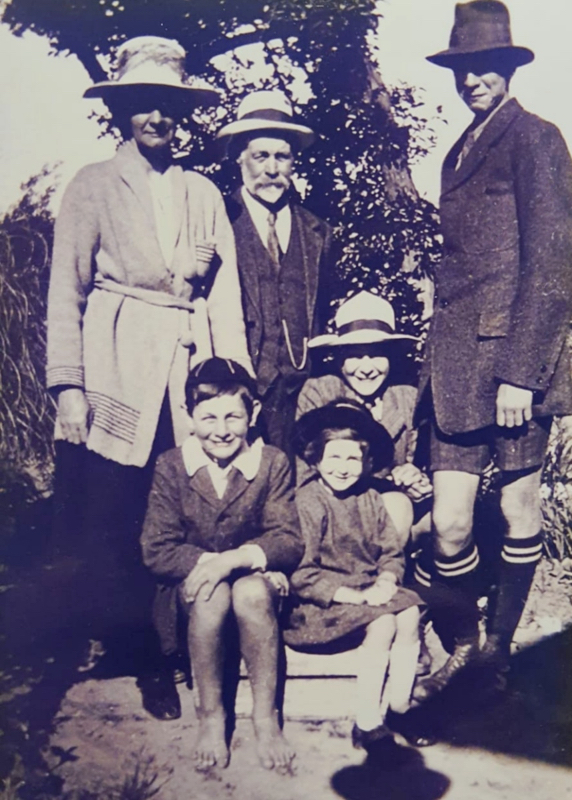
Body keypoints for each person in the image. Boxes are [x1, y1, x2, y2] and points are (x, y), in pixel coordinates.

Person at [47, 36, 252, 719]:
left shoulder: (202, 191)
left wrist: (232, 381)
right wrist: (68, 387)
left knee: (185, 502)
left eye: (168, 105)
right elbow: (65, 293)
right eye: (144, 105)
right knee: (117, 505)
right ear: (123, 112)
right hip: (117, 357)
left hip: (186, 366)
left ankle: (185, 647)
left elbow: (223, 297)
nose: (158, 118)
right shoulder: (93, 185)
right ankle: (134, 653)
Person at [414, 0, 572, 697]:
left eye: (486, 67)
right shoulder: (459, 148)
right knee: (448, 524)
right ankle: (467, 640)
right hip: (455, 366)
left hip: (512, 368)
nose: (473, 80)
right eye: (464, 70)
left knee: (517, 512)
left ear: (508, 66)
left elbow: (553, 264)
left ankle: (497, 654)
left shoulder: (536, 140)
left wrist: (522, 373)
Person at [141, 357, 303, 772]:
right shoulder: (172, 466)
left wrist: (233, 560)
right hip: (193, 592)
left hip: (255, 583)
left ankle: (266, 718)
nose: (222, 429)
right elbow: (157, 548)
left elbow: (287, 539)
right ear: (189, 416)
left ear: (254, 415)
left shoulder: (271, 463)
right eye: (208, 417)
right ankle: (212, 717)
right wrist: (210, 566)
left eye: (234, 416)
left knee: (248, 591)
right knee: (213, 593)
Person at [285, 400, 430, 749]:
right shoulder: (308, 502)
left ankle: (399, 707)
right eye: (334, 457)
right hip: (321, 604)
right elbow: (302, 575)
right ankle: (367, 722)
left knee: (409, 613)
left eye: (353, 459)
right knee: (382, 625)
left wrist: (386, 579)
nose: (343, 467)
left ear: (366, 463)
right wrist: (357, 596)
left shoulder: (370, 498)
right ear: (316, 458)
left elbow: (391, 552)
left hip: (368, 589)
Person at [216, 90, 334, 456]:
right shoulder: (216, 220)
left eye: (282, 157)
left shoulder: (318, 232)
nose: (271, 169)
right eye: (260, 156)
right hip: (237, 392)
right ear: (239, 157)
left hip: (301, 393)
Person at [297, 291, 432, 546]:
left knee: (433, 518)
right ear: (338, 359)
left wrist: (415, 479)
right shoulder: (321, 391)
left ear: (391, 356)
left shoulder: (406, 396)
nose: (367, 367)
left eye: (377, 354)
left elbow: (416, 460)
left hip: (393, 509)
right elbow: (307, 473)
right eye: (355, 355)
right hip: (334, 506)